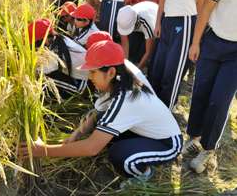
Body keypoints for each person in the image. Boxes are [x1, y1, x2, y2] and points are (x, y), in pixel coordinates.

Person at [19, 40, 182, 182]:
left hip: (168, 143)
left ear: (111, 72)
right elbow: (96, 115)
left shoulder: (126, 99)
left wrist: (43, 150)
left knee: (121, 157)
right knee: (102, 131)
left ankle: (143, 175)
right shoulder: (117, 85)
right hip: (145, 133)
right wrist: (74, 137)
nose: (90, 77)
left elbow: (92, 148)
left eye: (93, 72)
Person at [182, 0, 237, 173]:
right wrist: (195, 43)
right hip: (213, 40)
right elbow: (206, 8)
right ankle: (194, 137)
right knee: (200, 92)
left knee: (220, 101)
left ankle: (208, 149)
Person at [151, 0, 204, 110]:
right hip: (167, 21)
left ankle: (166, 113)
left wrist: (197, 39)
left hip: (185, 21)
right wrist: (158, 23)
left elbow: (201, 2)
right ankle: (152, 110)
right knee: (157, 71)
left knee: (171, 75)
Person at [28, 19, 89, 99]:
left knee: (43, 77)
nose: (36, 46)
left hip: (84, 85)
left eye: (36, 43)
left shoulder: (56, 51)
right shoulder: (58, 39)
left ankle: (76, 96)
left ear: (45, 39)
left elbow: (38, 70)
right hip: (83, 77)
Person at [117, 1, 158, 71]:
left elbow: (148, 52)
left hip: (155, 19)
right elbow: (125, 44)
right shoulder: (122, 19)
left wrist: (137, 71)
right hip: (139, 21)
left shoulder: (148, 23)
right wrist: (125, 65)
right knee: (132, 52)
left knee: (146, 51)